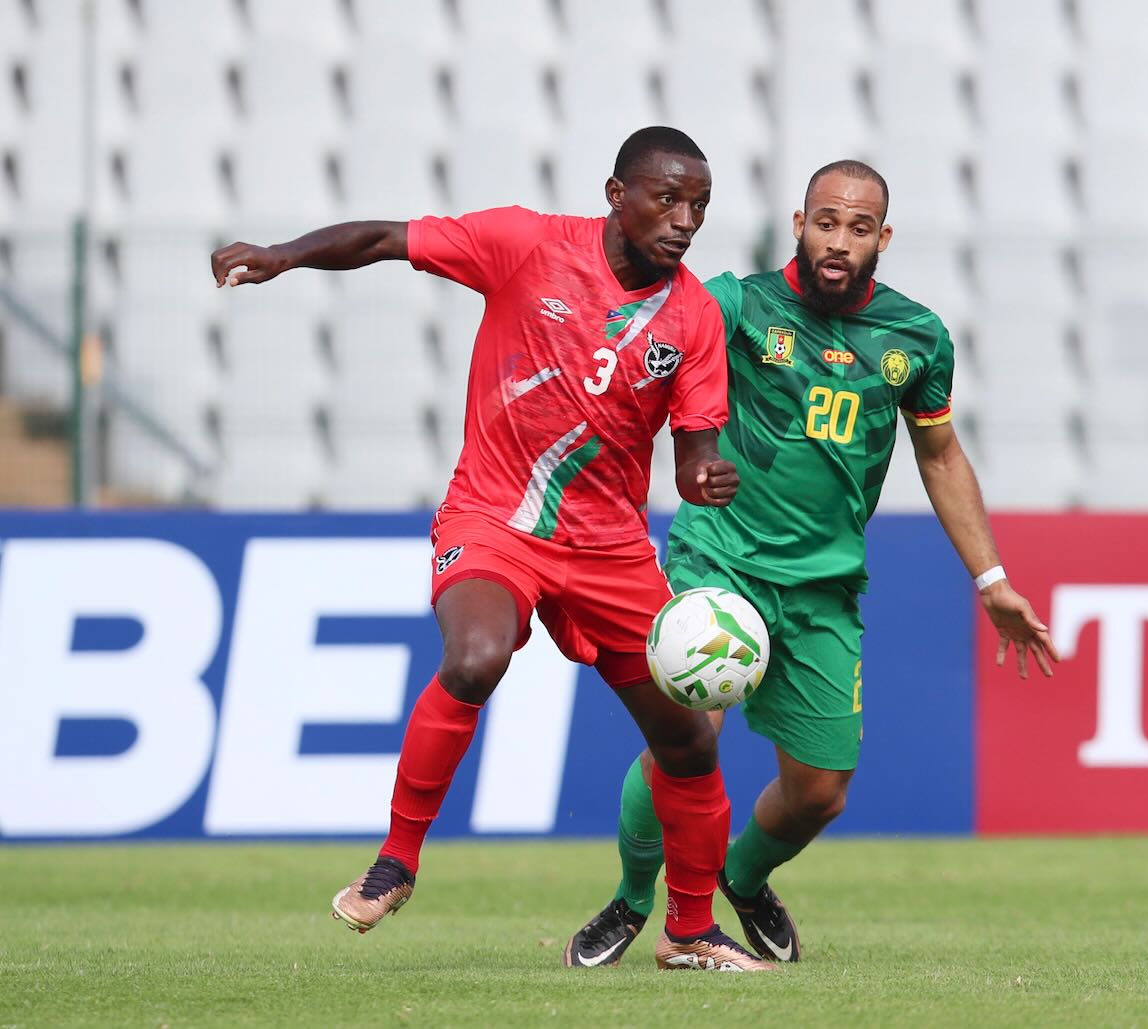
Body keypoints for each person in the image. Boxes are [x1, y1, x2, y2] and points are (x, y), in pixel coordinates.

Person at [210, 126, 775, 972]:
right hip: (494, 516)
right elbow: (385, 238)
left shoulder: (693, 316)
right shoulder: (526, 243)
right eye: (668, 199)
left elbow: (695, 449)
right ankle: (397, 860)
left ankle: (689, 932)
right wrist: (284, 256)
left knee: (690, 741)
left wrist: (702, 476)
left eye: (699, 205)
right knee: (475, 658)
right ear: (617, 194)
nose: (685, 220)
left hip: (609, 548)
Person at [563, 159, 1061, 967]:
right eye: (826, 222)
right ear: (800, 224)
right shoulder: (738, 305)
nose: (839, 241)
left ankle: (742, 876)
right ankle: (631, 898)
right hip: (720, 560)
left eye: (858, 228)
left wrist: (992, 579)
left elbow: (939, 454)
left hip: (823, 585)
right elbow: (642, 341)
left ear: (882, 238)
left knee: (820, 792)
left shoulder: (917, 337)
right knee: (685, 741)